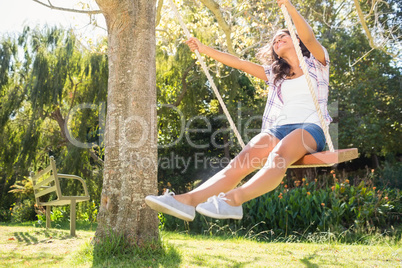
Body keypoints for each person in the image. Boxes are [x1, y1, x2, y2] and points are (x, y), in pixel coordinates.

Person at [145, 0, 331, 221]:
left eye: (283, 36)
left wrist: (288, 7)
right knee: (239, 163)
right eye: (275, 41)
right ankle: (186, 202)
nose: (278, 40)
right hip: (279, 128)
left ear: (296, 39)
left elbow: (309, 37)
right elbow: (240, 63)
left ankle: (232, 200)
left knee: (278, 156)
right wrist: (203, 49)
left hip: (311, 128)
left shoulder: (317, 63)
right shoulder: (275, 74)